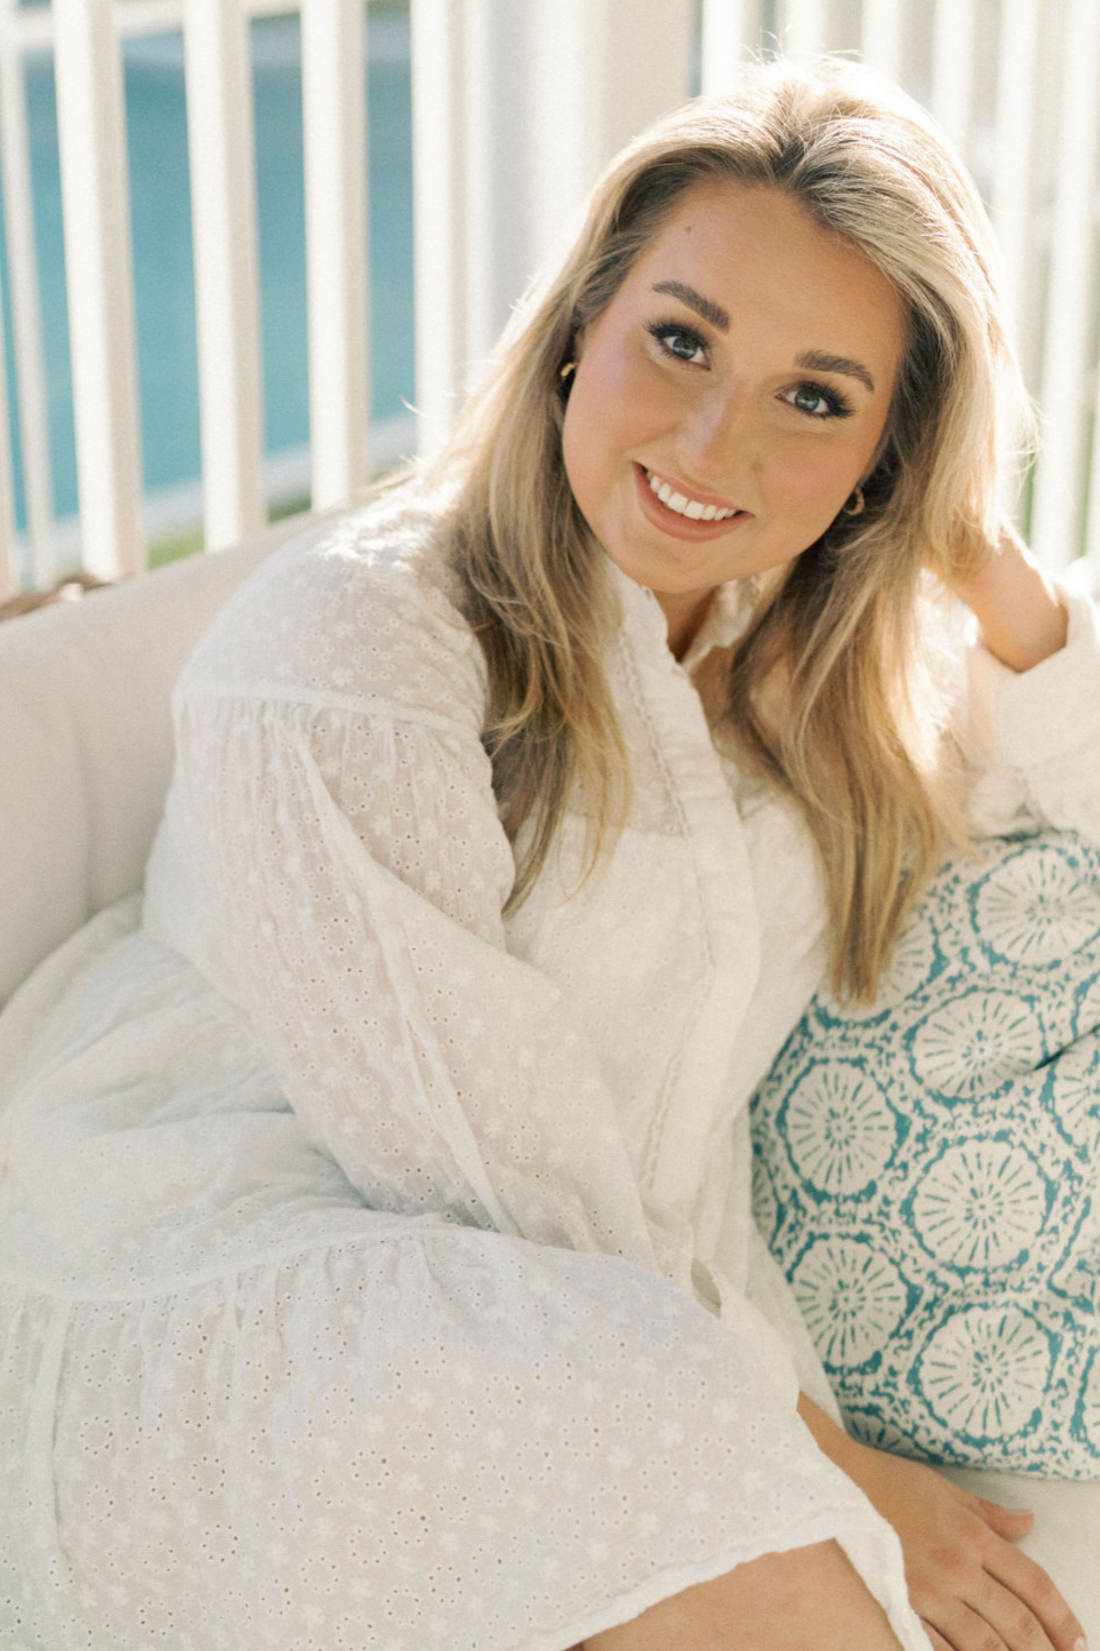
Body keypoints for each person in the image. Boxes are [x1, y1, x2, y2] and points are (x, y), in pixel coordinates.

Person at [0, 54, 1095, 1651]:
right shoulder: (356, 642)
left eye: (818, 396)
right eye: (680, 339)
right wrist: (832, 1467)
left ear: (888, 457)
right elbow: (492, 1168)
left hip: (611, 1329)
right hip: (233, 1281)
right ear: (583, 322)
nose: (716, 442)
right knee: (780, 1568)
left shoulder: (819, 674)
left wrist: (985, 569)